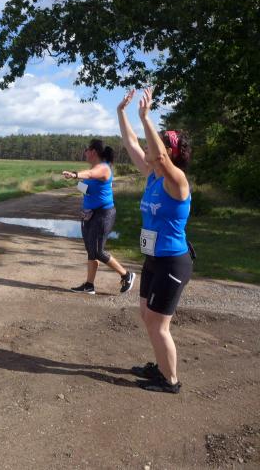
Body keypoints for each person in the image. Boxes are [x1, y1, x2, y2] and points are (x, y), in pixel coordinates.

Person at [117, 87, 193, 394]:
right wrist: (121, 112)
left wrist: (145, 117)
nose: (149, 146)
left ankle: (170, 381)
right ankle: (160, 366)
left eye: (157, 143)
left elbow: (159, 155)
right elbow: (131, 142)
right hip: (153, 259)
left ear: (169, 153)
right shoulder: (152, 176)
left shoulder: (177, 182)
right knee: (147, 315)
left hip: (172, 262)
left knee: (159, 324)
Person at [62, 139, 135, 295]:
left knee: (98, 251)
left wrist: (74, 175)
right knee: (91, 250)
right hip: (89, 214)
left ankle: (126, 274)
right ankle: (89, 285)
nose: (85, 153)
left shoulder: (103, 168)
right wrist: (79, 185)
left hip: (103, 214)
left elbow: (90, 174)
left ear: (93, 151)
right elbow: (88, 189)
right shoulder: (94, 169)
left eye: (86, 150)